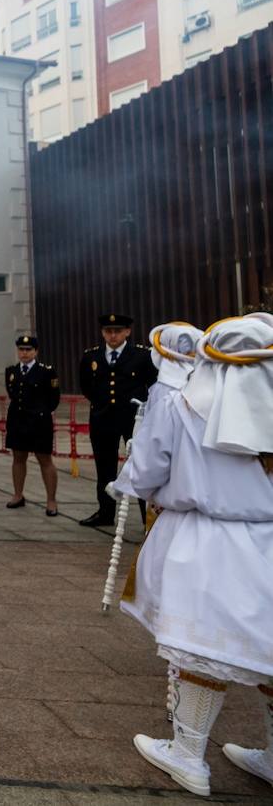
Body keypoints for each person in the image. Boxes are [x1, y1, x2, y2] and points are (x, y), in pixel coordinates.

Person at [113, 315, 273, 797]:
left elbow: (146, 471)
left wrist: (127, 485)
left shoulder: (184, 403)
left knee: (201, 646)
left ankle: (188, 755)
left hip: (206, 540)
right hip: (267, 536)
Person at [78, 313, 157, 527]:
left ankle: (146, 517)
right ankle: (105, 512)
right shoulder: (91, 357)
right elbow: (86, 386)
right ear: (103, 332)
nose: (113, 335)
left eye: (118, 331)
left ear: (127, 332)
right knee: (105, 467)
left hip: (133, 420)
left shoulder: (142, 355)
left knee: (140, 467)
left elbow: (153, 385)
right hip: (102, 419)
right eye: (108, 331)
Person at [4, 335, 61, 516]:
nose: (24, 353)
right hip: (17, 421)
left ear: (35, 351)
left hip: (39, 423)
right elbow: (13, 395)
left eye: (28, 350)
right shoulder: (11, 371)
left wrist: (41, 413)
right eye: (21, 349)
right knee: (18, 458)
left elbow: (54, 399)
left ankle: (51, 500)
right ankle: (18, 495)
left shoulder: (46, 371)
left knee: (44, 460)